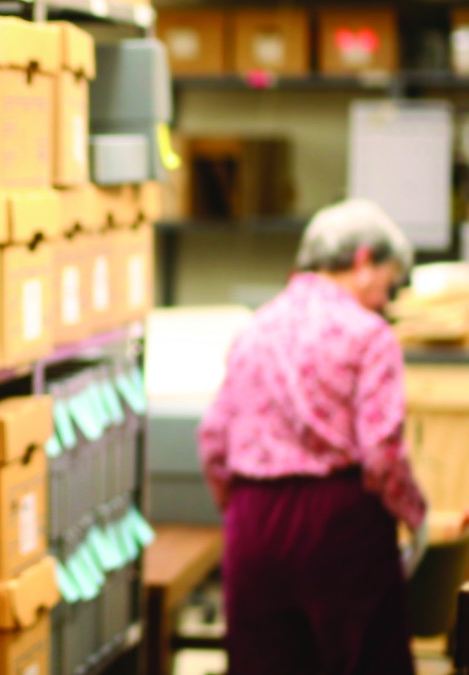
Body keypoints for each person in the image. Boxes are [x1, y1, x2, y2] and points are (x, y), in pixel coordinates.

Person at [198, 198, 428, 675]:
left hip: (253, 525)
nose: (386, 300)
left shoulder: (254, 328)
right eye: (388, 284)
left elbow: (213, 442)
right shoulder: (369, 335)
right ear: (364, 260)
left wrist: (244, 511)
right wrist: (415, 516)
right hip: (339, 525)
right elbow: (382, 452)